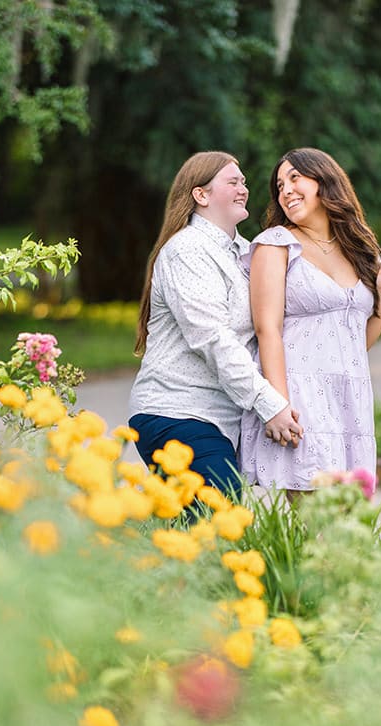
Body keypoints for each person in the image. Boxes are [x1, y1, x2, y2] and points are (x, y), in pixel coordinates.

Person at [129, 151, 304, 494]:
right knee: (217, 521)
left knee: (200, 534)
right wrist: (270, 404)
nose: (244, 189)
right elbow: (212, 338)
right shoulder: (188, 251)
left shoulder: (245, 250)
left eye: (244, 182)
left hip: (220, 421)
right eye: (233, 182)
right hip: (177, 413)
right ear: (201, 194)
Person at [240, 147, 381, 491]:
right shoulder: (276, 245)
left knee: (344, 519)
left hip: (349, 397)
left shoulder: (360, 250)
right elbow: (266, 329)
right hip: (301, 395)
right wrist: (278, 404)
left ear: (325, 181)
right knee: (312, 512)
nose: (285, 190)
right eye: (280, 185)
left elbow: (356, 343)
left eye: (295, 177)